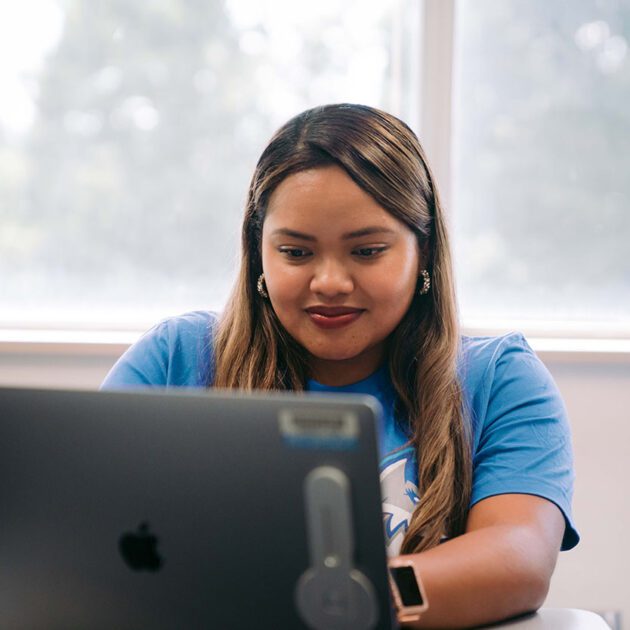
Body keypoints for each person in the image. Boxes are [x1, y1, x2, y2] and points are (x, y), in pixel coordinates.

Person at [102, 103, 578, 628]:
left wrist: (339, 600)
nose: (329, 281)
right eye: (296, 252)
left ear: (423, 254)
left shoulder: (501, 380)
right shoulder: (176, 358)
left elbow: (517, 561)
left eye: (367, 251)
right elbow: (79, 527)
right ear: (258, 252)